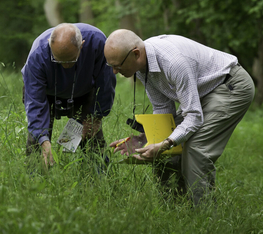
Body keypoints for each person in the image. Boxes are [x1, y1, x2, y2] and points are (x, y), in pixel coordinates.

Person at [105, 29, 255, 205]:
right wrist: (147, 140)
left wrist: (166, 142)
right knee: (165, 148)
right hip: (203, 91)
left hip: (230, 86)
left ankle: (204, 216)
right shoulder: (142, 67)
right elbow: (162, 108)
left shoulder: (174, 62)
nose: (114, 72)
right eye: (111, 66)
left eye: (118, 66)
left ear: (136, 54)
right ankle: (176, 209)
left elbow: (193, 117)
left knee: (195, 148)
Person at [22, 23, 116, 168]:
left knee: (91, 137)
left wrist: (97, 114)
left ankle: (99, 178)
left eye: (71, 60)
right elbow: (35, 100)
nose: (65, 65)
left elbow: (105, 82)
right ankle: (34, 182)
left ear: (82, 45)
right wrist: (42, 138)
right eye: (59, 60)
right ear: (49, 45)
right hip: (47, 94)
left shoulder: (97, 42)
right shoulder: (37, 55)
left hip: (83, 91)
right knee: (36, 142)